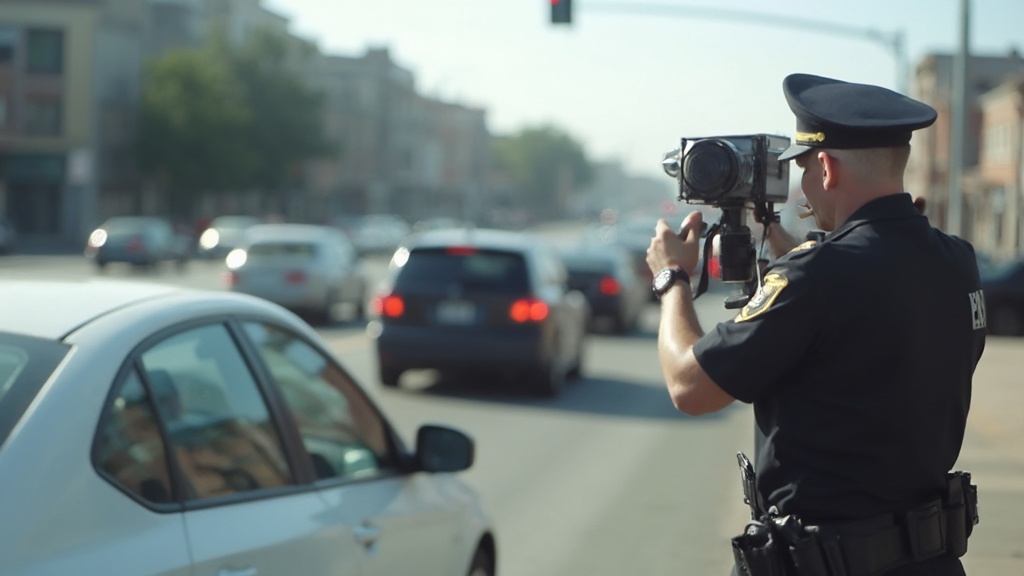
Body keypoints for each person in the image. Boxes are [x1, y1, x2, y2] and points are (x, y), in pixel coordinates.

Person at [646, 73, 986, 576]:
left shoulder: (816, 280)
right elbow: (855, 290)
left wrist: (671, 277)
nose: (802, 187)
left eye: (802, 169)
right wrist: (776, 237)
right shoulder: (957, 261)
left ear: (825, 167)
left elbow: (688, 387)